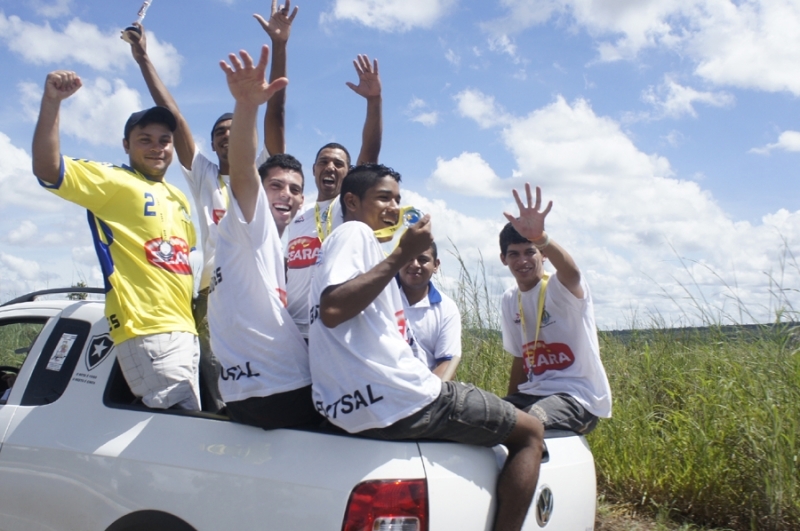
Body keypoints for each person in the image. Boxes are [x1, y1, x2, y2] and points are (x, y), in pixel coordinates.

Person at [308, 164, 544, 531]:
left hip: (351, 406)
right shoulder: (354, 232)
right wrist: (400, 255)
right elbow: (333, 309)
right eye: (384, 197)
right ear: (351, 201)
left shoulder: (352, 246)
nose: (393, 208)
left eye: (398, 200)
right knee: (530, 432)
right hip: (398, 398)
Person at [123, 3, 295, 411]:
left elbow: (275, 109)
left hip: (260, 283)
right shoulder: (202, 174)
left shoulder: (261, 171)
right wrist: (144, 59)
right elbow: (176, 118)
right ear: (213, 143)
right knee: (216, 379)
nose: (226, 136)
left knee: (266, 374)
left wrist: (279, 45)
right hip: (210, 289)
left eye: (235, 131)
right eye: (220, 133)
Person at [32, 71, 200, 410]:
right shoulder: (114, 181)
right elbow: (48, 169)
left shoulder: (178, 197)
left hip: (184, 329)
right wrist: (52, 102)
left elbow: (190, 262)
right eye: (145, 139)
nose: (157, 148)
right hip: (148, 330)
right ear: (126, 144)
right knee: (180, 439)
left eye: (164, 140)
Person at [211, 45, 319, 429]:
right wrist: (247, 106)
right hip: (280, 388)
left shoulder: (281, 240)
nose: (285, 195)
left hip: (252, 392)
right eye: (275, 186)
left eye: (294, 190)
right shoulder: (247, 225)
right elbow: (242, 169)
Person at [284, 54, 382, 339]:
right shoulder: (296, 215)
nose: (330, 167)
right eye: (324, 162)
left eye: (338, 164)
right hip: (294, 333)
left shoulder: (351, 208)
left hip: (338, 330)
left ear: (349, 172)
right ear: (313, 170)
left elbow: (370, 156)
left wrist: (374, 102)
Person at [499, 184, 612, 434]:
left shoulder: (560, 288)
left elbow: (572, 272)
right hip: (533, 394)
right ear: (503, 259)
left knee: (529, 421)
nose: (523, 261)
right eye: (514, 254)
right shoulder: (509, 299)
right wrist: (508, 404)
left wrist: (542, 238)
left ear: (544, 255)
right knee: (491, 418)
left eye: (531, 252)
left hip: (578, 397)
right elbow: (520, 358)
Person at [396, 242, 462, 380]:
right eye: (408, 258)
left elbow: (447, 364)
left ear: (436, 265)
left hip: (425, 391)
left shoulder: (447, 308)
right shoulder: (379, 296)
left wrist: (423, 394)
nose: (414, 264)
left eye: (423, 259)